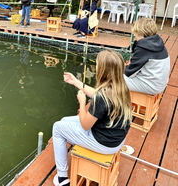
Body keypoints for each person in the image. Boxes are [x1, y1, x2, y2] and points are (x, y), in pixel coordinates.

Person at [54, 51, 132, 186]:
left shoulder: (100, 98)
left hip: (104, 144)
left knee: (57, 128)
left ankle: (62, 178)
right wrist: (76, 82)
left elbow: (85, 125)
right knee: (64, 121)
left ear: (103, 70)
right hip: (116, 138)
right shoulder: (121, 87)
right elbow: (98, 95)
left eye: (97, 65)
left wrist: (82, 102)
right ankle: (78, 145)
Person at [124, 17, 170, 95]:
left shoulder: (143, 48)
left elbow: (129, 73)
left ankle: (114, 103)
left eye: (135, 33)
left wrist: (123, 66)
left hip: (151, 86)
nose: (134, 36)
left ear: (142, 33)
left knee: (114, 78)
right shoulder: (158, 42)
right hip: (160, 83)